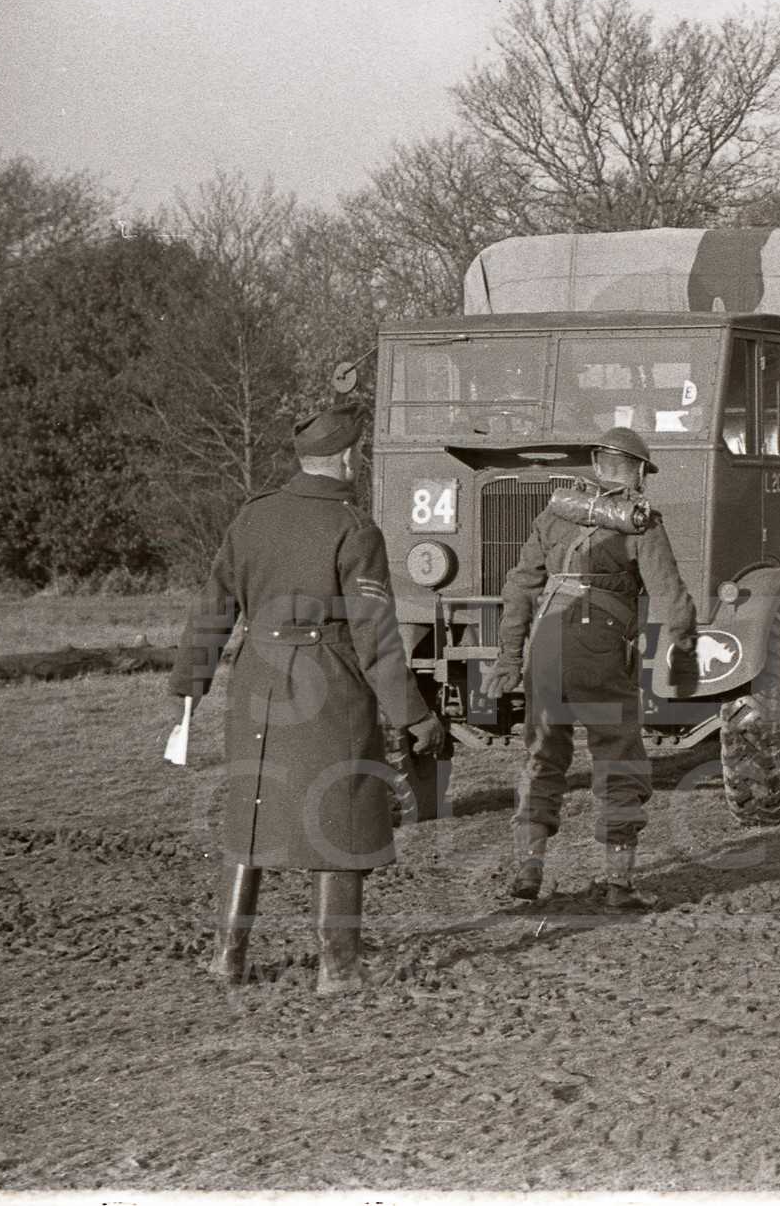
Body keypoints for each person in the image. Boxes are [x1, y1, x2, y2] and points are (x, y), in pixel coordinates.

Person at [171, 406, 444, 992]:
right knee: (339, 818)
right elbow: (376, 638)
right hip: (329, 689)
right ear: (349, 457)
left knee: (252, 816)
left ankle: (227, 958)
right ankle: (339, 967)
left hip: (255, 687)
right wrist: (414, 717)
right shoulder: (355, 529)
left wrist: (189, 691)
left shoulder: (251, 519)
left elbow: (213, 609)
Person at [481, 426, 700, 908]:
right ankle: (618, 883)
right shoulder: (641, 521)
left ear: (598, 465)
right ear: (639, 472)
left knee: (542, 754)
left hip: (546, 646)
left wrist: (509, 658)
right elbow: (674, 601)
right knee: (618, 757)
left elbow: (518, 588)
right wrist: (684, 656)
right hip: (601, 649)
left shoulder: (555, 514)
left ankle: (528, 868)